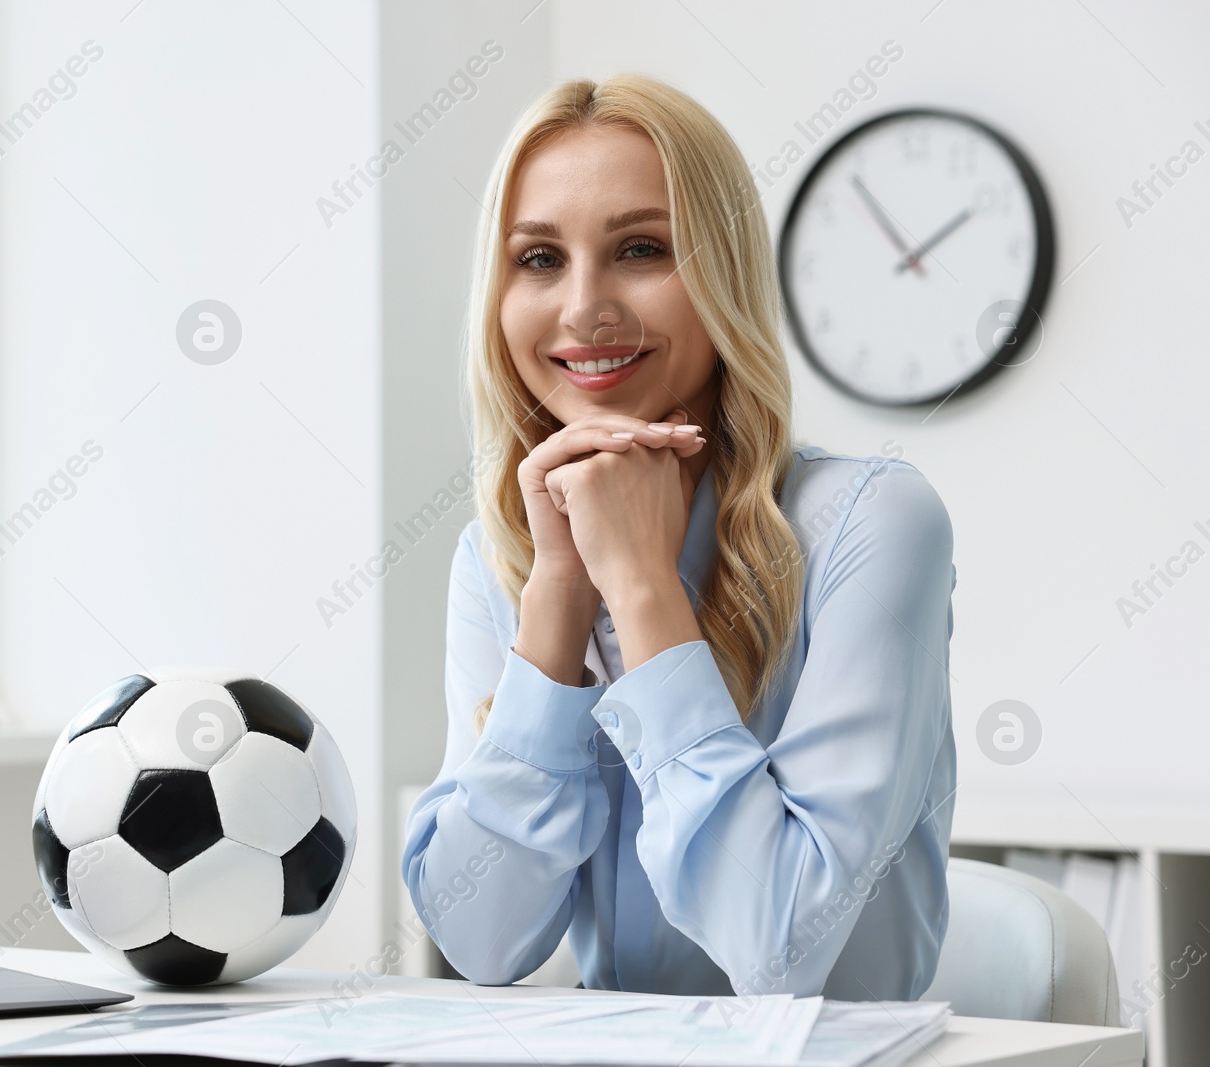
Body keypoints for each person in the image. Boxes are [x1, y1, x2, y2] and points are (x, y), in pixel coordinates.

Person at [400, 74, 957, 1000]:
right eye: (539, 259)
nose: (584, 308)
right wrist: (560, 599)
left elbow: (779, 945)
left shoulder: (874, 521)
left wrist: (644, 587)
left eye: (641, 249)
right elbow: (484, 939)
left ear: (723, 276)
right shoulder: (500, 554)